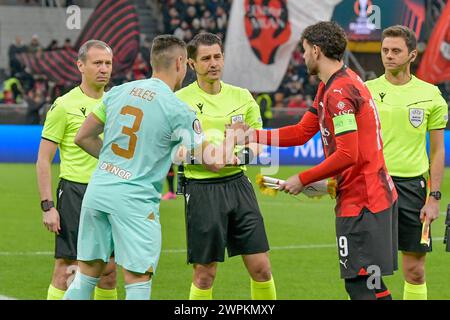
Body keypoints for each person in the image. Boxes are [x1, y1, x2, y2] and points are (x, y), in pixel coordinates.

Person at [63, 35, 242, 300]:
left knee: (86, 276)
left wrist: (115, 164)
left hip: (98, 192)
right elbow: (214, 162)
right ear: (181, 62)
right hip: (134, 201)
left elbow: (82, 137)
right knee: (137, 280)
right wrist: (234, 140)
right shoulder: (178, 109)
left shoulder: (119, 92)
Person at [240, 22, 398, 300]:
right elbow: (302, 132)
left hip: (364, 202)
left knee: (362, 285)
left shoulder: (338, 94)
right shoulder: (334, 85)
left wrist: (303, 179)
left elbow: (349, 154)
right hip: (364, 196)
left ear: (316, 50)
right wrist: (253, 135)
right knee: (367, 284)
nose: (302, 57)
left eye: (303, 51)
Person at [176, 32, 276, 300]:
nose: (213, 63)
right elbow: (174, 151)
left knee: (261, 268)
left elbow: (258, 140)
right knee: (205, 273)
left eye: (217, 56)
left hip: (238, 186)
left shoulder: (242, 96)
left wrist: (240, 157)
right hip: (201, 189)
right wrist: (206, 159)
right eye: (206, 58)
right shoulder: (179, 101)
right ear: (192, 64)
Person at [366, 25, 448, 300]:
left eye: (396, 51)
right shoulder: (365, 92)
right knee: (370, 268)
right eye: (385, 50)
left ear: (412, 54)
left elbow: (437, 152)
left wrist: (434, 197)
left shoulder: (431, 95)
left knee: (415, 271)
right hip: (374, 185)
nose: (389, 56)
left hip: (413, 189)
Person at [36, 40, 117, 300]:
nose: (103, 69)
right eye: (97, 63)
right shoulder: (64, 105)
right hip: (75, 194)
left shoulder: (118, 103)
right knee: (68, 268)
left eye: (107, 63)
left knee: (109, 271)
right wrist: (48, 206)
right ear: (80, 65)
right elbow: (43, 160)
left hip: (110, 193)